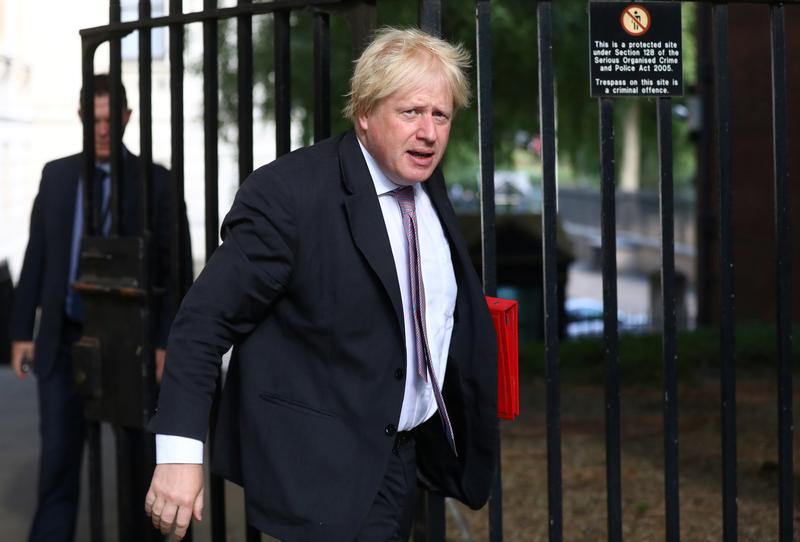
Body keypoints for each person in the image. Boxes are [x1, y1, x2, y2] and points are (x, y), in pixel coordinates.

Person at [145, 27, 499, 541]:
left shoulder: (425, 185)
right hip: (319, 472)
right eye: (410, 112)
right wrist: (179, 453)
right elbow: (203, 322)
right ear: (363, 113)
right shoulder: (289, 195)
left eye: (440, 115)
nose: (428, 132)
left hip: (402, 459)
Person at [10, 73, 190, 542]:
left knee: (140, 474)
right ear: (81, 118)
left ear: (128, 118)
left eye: (111, 119)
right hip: (66, 341)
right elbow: (37, 257)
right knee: (58, 469)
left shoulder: (157, 183)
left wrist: (164, 342)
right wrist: (21, 332)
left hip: (133, 349)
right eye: (95, 119)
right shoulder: (57, 176)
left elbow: (175, 274)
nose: (103, 129)